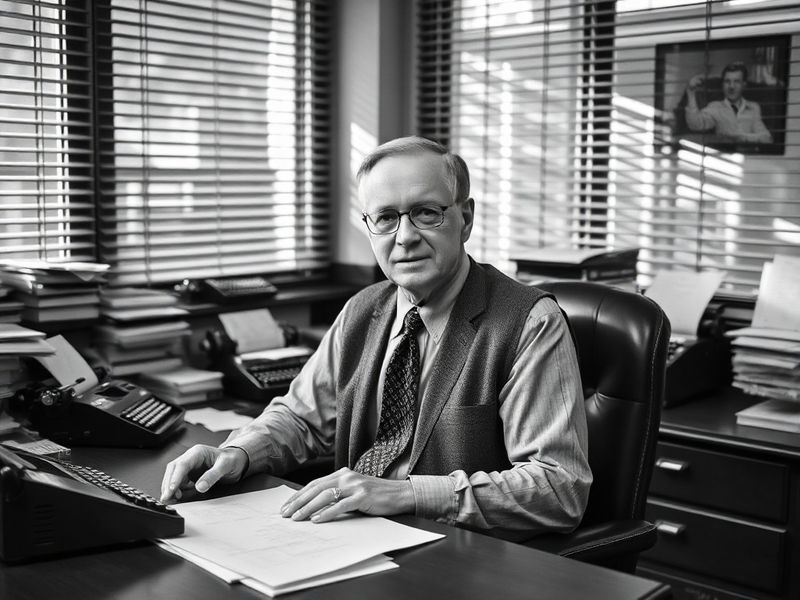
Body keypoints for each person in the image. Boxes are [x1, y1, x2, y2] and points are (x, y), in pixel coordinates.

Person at [160, 136, 591, 541]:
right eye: (385, 218)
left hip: (459, 557)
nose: (404, 237)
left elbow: (558, 488)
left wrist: (403, 493)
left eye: (426, 213)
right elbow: (300, 418)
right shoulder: (362, 312)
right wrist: (238, 454)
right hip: (351, 539)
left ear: (466, 218)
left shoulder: (530, 323)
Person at [685, 61, 772, 144]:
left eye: (736, 82)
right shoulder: (715, 107)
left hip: (750, 157)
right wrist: (691, 93)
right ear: (722, 85)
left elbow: (766, 138)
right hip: (726, 155)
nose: (731, 86)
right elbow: (695, 124)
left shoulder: (753, 107)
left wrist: (742, 138)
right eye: (727, 81)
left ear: (744, 85)